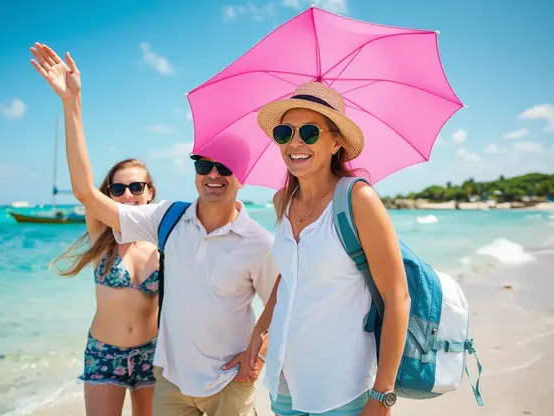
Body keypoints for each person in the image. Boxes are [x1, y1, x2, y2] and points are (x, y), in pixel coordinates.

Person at [29, 42, 279, 416]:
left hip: (199, 372)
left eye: (224, 167)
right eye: (203, 165)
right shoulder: (162, 223)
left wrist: (257, 352)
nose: (213, 174)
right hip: (141, 368)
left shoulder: (254, 242)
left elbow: (280, 302)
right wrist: (71, 103)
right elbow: (84, 191)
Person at [245, 82, 411, 416]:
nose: (295, 142)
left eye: (309, 132)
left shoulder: (358, 199)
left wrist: (383, 394)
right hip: (285, 377)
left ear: (336, 142)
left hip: (342, 386)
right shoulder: (283, 200)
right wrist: (259, 332)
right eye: (284, 132)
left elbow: (397, 298)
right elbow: (290, 276)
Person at [32, 45, 160, 416]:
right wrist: (72, 102)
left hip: (154, 356)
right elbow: (82, 187)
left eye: (136, 187)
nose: (127, 195)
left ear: (150, 191)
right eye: (118, 188)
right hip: (105, 354)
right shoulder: (104, 234)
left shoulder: (164, 236)